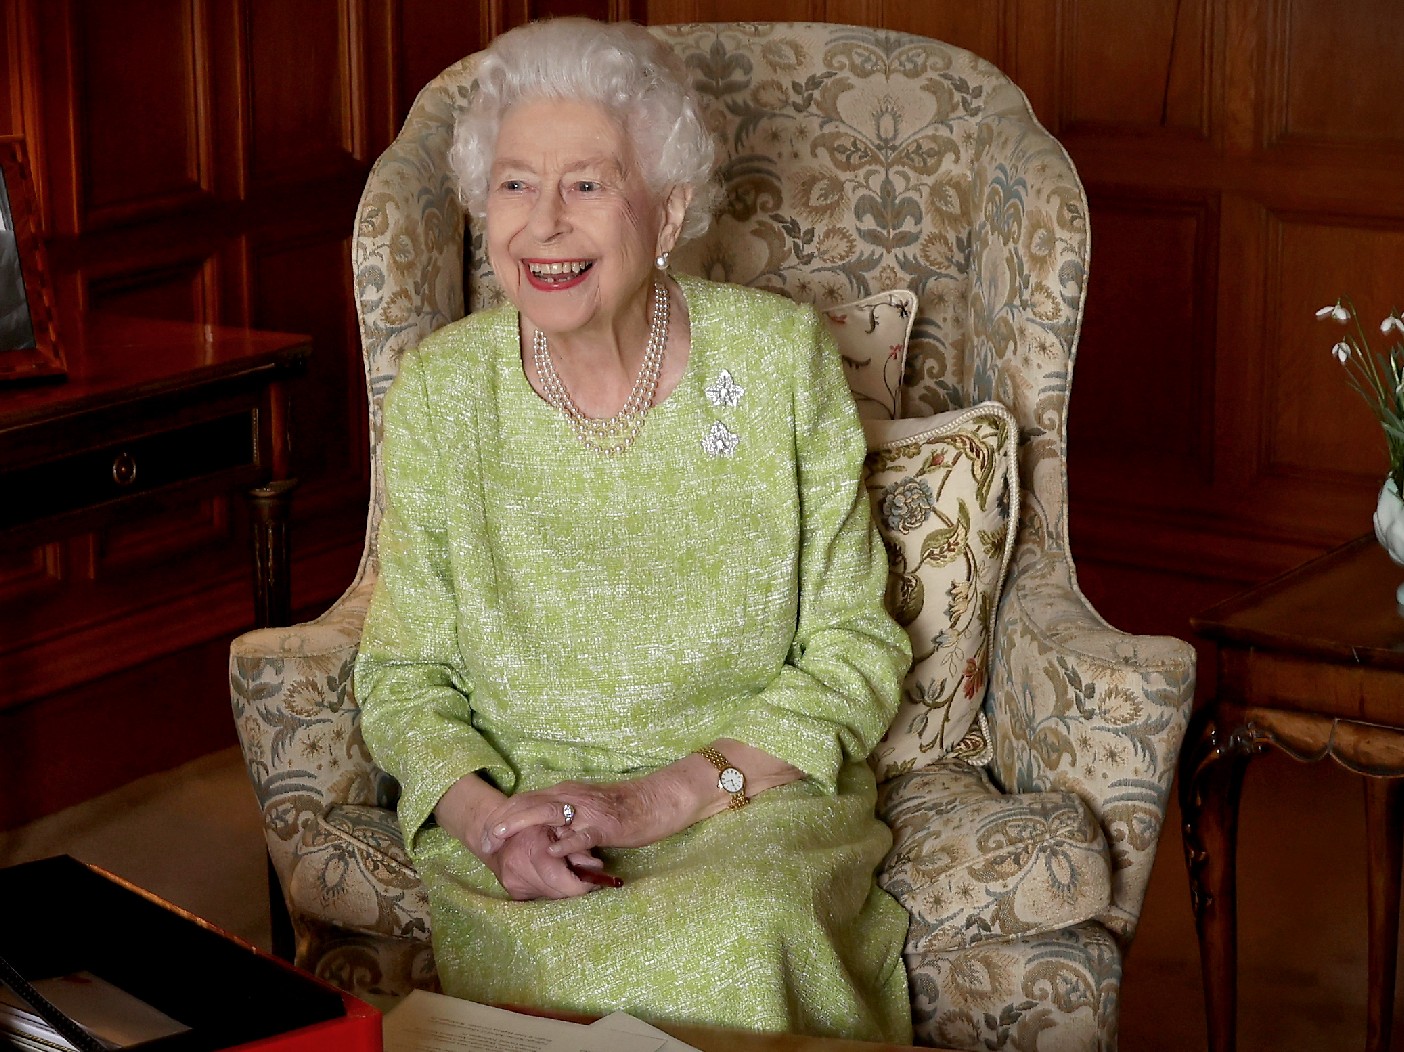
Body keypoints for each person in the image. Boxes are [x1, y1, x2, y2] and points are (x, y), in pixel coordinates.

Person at [353, 17, 913, 1043]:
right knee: (546, 968)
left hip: (745, 801)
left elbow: (853, 648)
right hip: (527, 816)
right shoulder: (441, 390)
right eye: (515, 184)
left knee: (741, 935)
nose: (544, 223)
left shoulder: (779, 361)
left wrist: (657, 802)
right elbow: (402, 676)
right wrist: (490, 823)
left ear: (668, 211)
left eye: (587, 183)